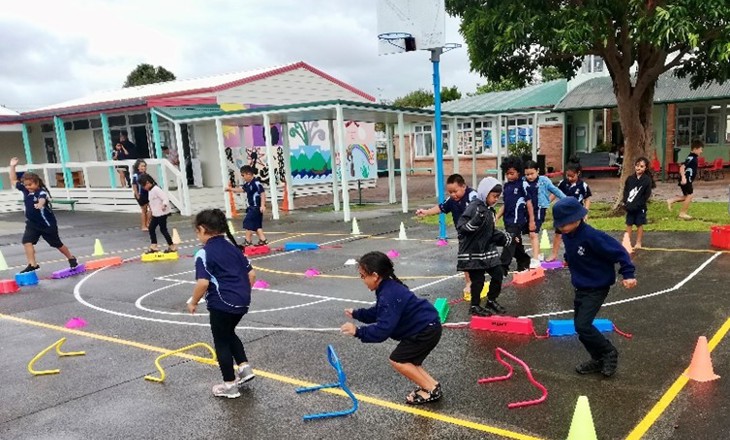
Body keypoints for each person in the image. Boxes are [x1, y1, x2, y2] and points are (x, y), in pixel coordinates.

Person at [341, 251, 442, 405]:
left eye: (363, 276)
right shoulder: (388, 287)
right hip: (428, 326)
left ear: (375, 275)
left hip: (424, 330)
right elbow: (379, 312)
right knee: (409, 360)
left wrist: (358, 332)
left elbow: (383, 330)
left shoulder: (388, 293)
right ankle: (432, 385)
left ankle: (430, 390)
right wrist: (357, 314)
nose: (363, 280)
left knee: (398, 360)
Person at [552, 197, 636, 377]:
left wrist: (628, 274)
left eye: (563, 225)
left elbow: (620, 252)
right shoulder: (569, 235)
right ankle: (598, 359)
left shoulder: (592, 236)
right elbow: (572, 250)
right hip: (581, 286)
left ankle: (609, 352)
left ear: (576, 219)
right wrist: (569, 259)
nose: (560, 229)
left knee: (583, 325)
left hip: (597, 286)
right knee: (581, 327)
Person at [187, 209, 256, 398]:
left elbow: (203, 282)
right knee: (228, 332)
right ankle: (244, 367)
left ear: (202, 229)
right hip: (242, 301)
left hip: (222, 303)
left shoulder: (204, 253)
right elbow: (252, 274)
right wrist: (241, 292)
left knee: (221, 341)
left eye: (197, 231)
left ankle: (229, 385)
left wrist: (193, 301)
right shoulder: (234, 248)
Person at [8, 157, 79, 274]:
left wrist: (40, 205)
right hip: (32, 224)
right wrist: (12, 166)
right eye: (26, 185)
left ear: (36, 183)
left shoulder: (41, 192)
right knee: (27, 241)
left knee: (56, 244)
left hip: (47, 225)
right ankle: (32, 264)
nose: (28, 187)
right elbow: (13, 180)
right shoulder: (26, 191)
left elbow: (42, 200)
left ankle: (71, 257)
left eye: (30, 185)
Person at [415, 173, 478, 294]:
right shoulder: (451, 200)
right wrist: (426, 212)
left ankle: (479, 280)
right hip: (463, 235)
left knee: (477, 258)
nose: (453, 195)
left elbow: (482, 210)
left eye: (455, 191)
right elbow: (440, 208)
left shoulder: (472, 196)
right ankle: (469, 283)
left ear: (463, 186)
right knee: (465, 259)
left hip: (477, 234)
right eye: (450, 192)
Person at [456, 177, 511, 316]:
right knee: (478, 280)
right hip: (473, 252)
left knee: (498, 273)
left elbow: (490, 233)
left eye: (498, 197)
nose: (496, 200)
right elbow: (462, 227)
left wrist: (505, 238)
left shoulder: (489, 210)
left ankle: (491, 300)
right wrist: (476, 219)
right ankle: (474, 306)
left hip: (487, 250)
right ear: (485, 193)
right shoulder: (474, 207)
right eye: (494, 196)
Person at [547, 161, 592, 262]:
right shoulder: (563, 183)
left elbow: (587, 198)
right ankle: (554, 254)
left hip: (576, 216)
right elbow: (555, 193)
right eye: (567, 176)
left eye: (572, 176)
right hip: (563, 215)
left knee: (576, 236)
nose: (569, 178)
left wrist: (586, 211)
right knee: (558, 234)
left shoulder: (583, 185)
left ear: (578, 173)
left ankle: (572, 257)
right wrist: (547, 203)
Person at [496, 156, 534, 275]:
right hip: (508, 220)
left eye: (512, 173)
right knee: (515, 243)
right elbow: (506, 205)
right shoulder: (506, 187)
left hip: (518, 221)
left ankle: (503, 267)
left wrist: (532, 221)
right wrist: (497, 216)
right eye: (507, 174)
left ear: (518, 171)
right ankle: (524, 260)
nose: (509, 176)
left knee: (510, 241)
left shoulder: (523, 185)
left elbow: (529, 204)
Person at [523, 160, 565, 266]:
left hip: (539, 209)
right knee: (530, 233)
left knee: (533, 233)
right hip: (527, 210)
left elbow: (555, 191)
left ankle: (536, 259)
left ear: (538, 171)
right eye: (527, 174)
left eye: (532, 173)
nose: (529, 176)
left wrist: (567, 200)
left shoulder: (544, 181)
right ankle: (539, 254)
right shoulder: (523, 181)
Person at [226, 165, 267, 246]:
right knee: (257, 225)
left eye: (243, 175)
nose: (242, 177)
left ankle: (248, 241)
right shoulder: (248, 184)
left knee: (248, 223)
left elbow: (262, 193)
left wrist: (262, 205)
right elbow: (242, 189)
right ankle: (263, 240)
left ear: (248, 174)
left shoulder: (256, 183)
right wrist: (231, 189)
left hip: (255, 207)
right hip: (251, 207)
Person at [138, 174, 176, 254]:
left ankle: (172, 246)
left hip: (162, 213)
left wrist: (164, 205)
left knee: (163, 229)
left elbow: (165, 198)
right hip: (156, 214)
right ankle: (154, 245)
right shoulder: (150, 191)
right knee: (151, 228)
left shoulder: (156, 189)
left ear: (148, 183)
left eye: (143, 185)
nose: (143, 188)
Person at [623, 157, 655, 249]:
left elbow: (646, 194)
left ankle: (638, 242)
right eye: (637, 166)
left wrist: (639, 204)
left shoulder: (646, 180)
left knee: (639, 224)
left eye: (641, 166)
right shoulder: (630, 179)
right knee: (629, 224)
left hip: (640, 207)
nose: (639, 168)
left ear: (645, 168)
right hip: (630, 206)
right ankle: (627, 242)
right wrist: (626, 202)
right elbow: (625, 191)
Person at [667, 139, 703, 220]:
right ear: (695, 149)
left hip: (687, 179)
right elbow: (682, 167)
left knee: (686, 196)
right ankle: (682, 213)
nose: (701, 151)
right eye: (701, 149)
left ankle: (671, 200)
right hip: (686, 179)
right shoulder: (691, 157)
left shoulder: (693, 157)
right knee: (690, 196)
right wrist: (684, 178)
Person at [131, 159, 151, 231]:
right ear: (138, 167)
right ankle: (143, 225)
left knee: (152, 209)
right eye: (142, 166)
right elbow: (134, 185)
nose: (143, 167)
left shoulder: (146, 174)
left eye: (144, 166)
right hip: (140, 194)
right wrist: (137, 195)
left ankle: (148, 223)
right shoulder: (136, 175)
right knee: (144, 210)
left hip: (147, 194)